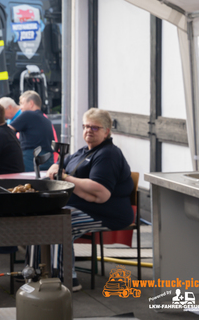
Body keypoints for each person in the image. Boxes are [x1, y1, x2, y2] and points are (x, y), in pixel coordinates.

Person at [28, 108, 133, 292]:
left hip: (106, 213)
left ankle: (66, 279)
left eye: (94, 127)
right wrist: (56, 169)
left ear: (106, 131)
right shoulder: (83, 151)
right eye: (85, 126)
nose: (88, 131)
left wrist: (67, 178)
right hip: (82, 206)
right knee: (40, 219)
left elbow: (101, 194)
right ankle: (35, 274)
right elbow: (62, 167)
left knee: (60, 225)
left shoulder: (107, 154)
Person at [9, 91, 55, 171]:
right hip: (48, 161)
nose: (20, 107)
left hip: (30, 161)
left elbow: (7, 131)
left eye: (22, 103)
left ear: (31, 103)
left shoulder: (27, 114)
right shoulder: (47, 120)